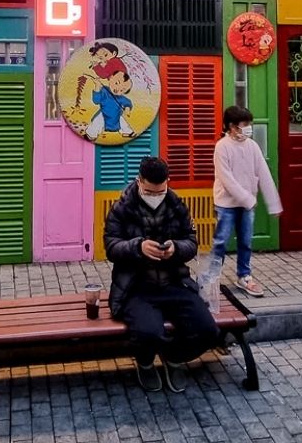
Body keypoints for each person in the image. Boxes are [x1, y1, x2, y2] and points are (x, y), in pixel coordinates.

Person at [104, 157, 220, 394]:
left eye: (160, 191)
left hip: (175, 283)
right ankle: (145, 364)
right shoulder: (122, 207)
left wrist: (176, 249)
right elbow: (111, 246)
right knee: (149, 332)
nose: (154, 196)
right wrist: (138, 247)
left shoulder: (177, 205)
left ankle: (174, 358)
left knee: (208, 331)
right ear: (139, 182)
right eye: (148, 191)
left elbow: (192, 242)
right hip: (136, 287)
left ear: (168, 182)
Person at [210, 105, 283, 297]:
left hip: (247, 205)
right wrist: (248, 199)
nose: (249, 128)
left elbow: (264, 174)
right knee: (221, 242)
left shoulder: (252, 146)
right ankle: (212, 278)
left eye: (249, 124)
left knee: (246, 242)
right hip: (226, 205)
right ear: (232, 127)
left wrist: (273, 204)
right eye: (245, 124)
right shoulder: (222, 147)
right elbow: (227, 180)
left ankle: (244, 276)